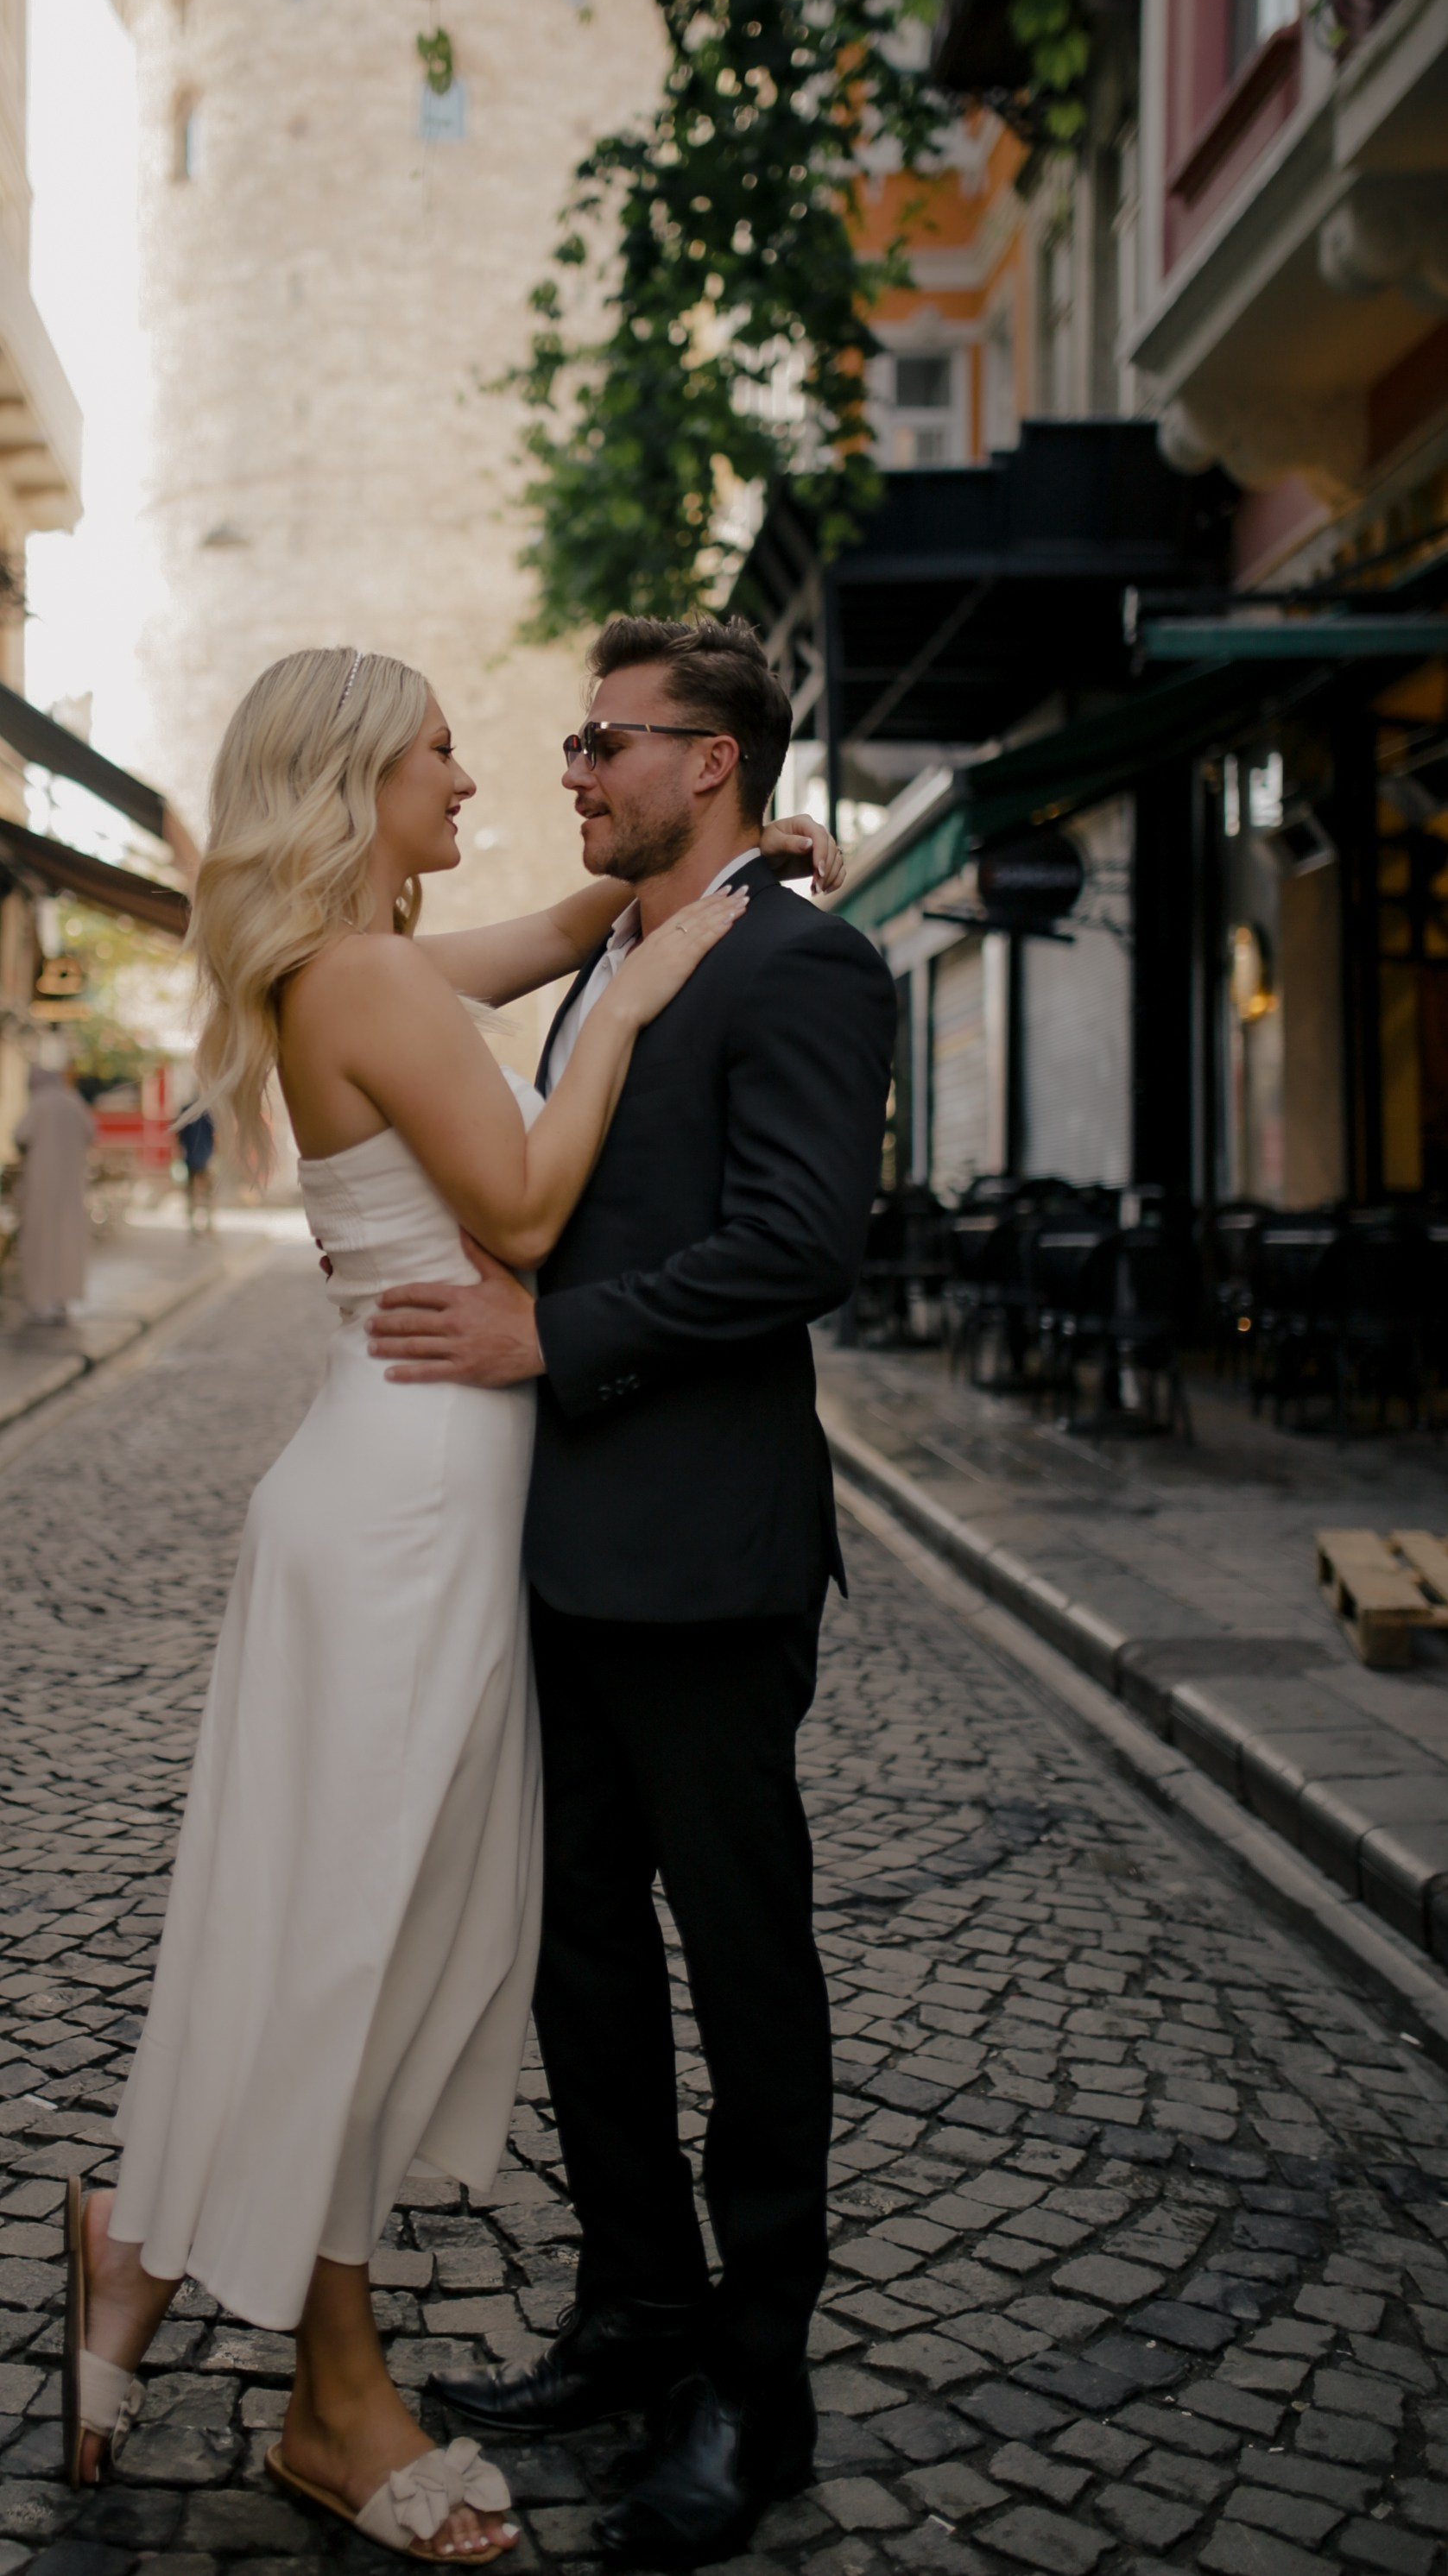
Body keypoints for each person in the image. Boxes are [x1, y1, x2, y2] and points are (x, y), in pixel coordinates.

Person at [62, 647, 834, 2561]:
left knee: (365, 1926)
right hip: (406, 1510)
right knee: (351, 1937)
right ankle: (325, 2387)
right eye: (438, 751)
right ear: (354, 783)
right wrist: (639, 987)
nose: (478, 775)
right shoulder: (363, 978)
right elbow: (527, 1209)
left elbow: (545, 937)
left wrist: (710, 884)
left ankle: (145, 2240)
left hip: (445, 1501)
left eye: (576, 744)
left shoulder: (371, 964)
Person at [368, 618, 895, 2569]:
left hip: (706, 1554)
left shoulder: (804, 961)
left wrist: (552, 1336)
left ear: (714, 759)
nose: (573, 767)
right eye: (576, 740)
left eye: (607, 739)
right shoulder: (619, 948)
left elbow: (799, 1244)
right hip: (558, 1542)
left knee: (745, 1967)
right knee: (579, 1950)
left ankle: (757, 2376)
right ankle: (634, 2306)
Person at [12, 1058, 96, 1323]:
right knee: (67, 1240)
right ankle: (63, 1298)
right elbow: (91, 1133)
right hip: (71, 1186)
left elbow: (20, 1136)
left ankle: (40, 1300)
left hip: (42, 1184)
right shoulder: (73, 1101)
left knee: (41, 1238)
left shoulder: (39, 1103)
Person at [175, 1098, 217, 1232]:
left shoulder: (187, 1111)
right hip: (204, 1156)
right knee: (206, 1191)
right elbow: (213, 1135)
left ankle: (194, 1222)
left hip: (192, 1156)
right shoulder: (207, 1112)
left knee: (193, 1191)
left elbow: (179, 1136)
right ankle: (207, 1222)